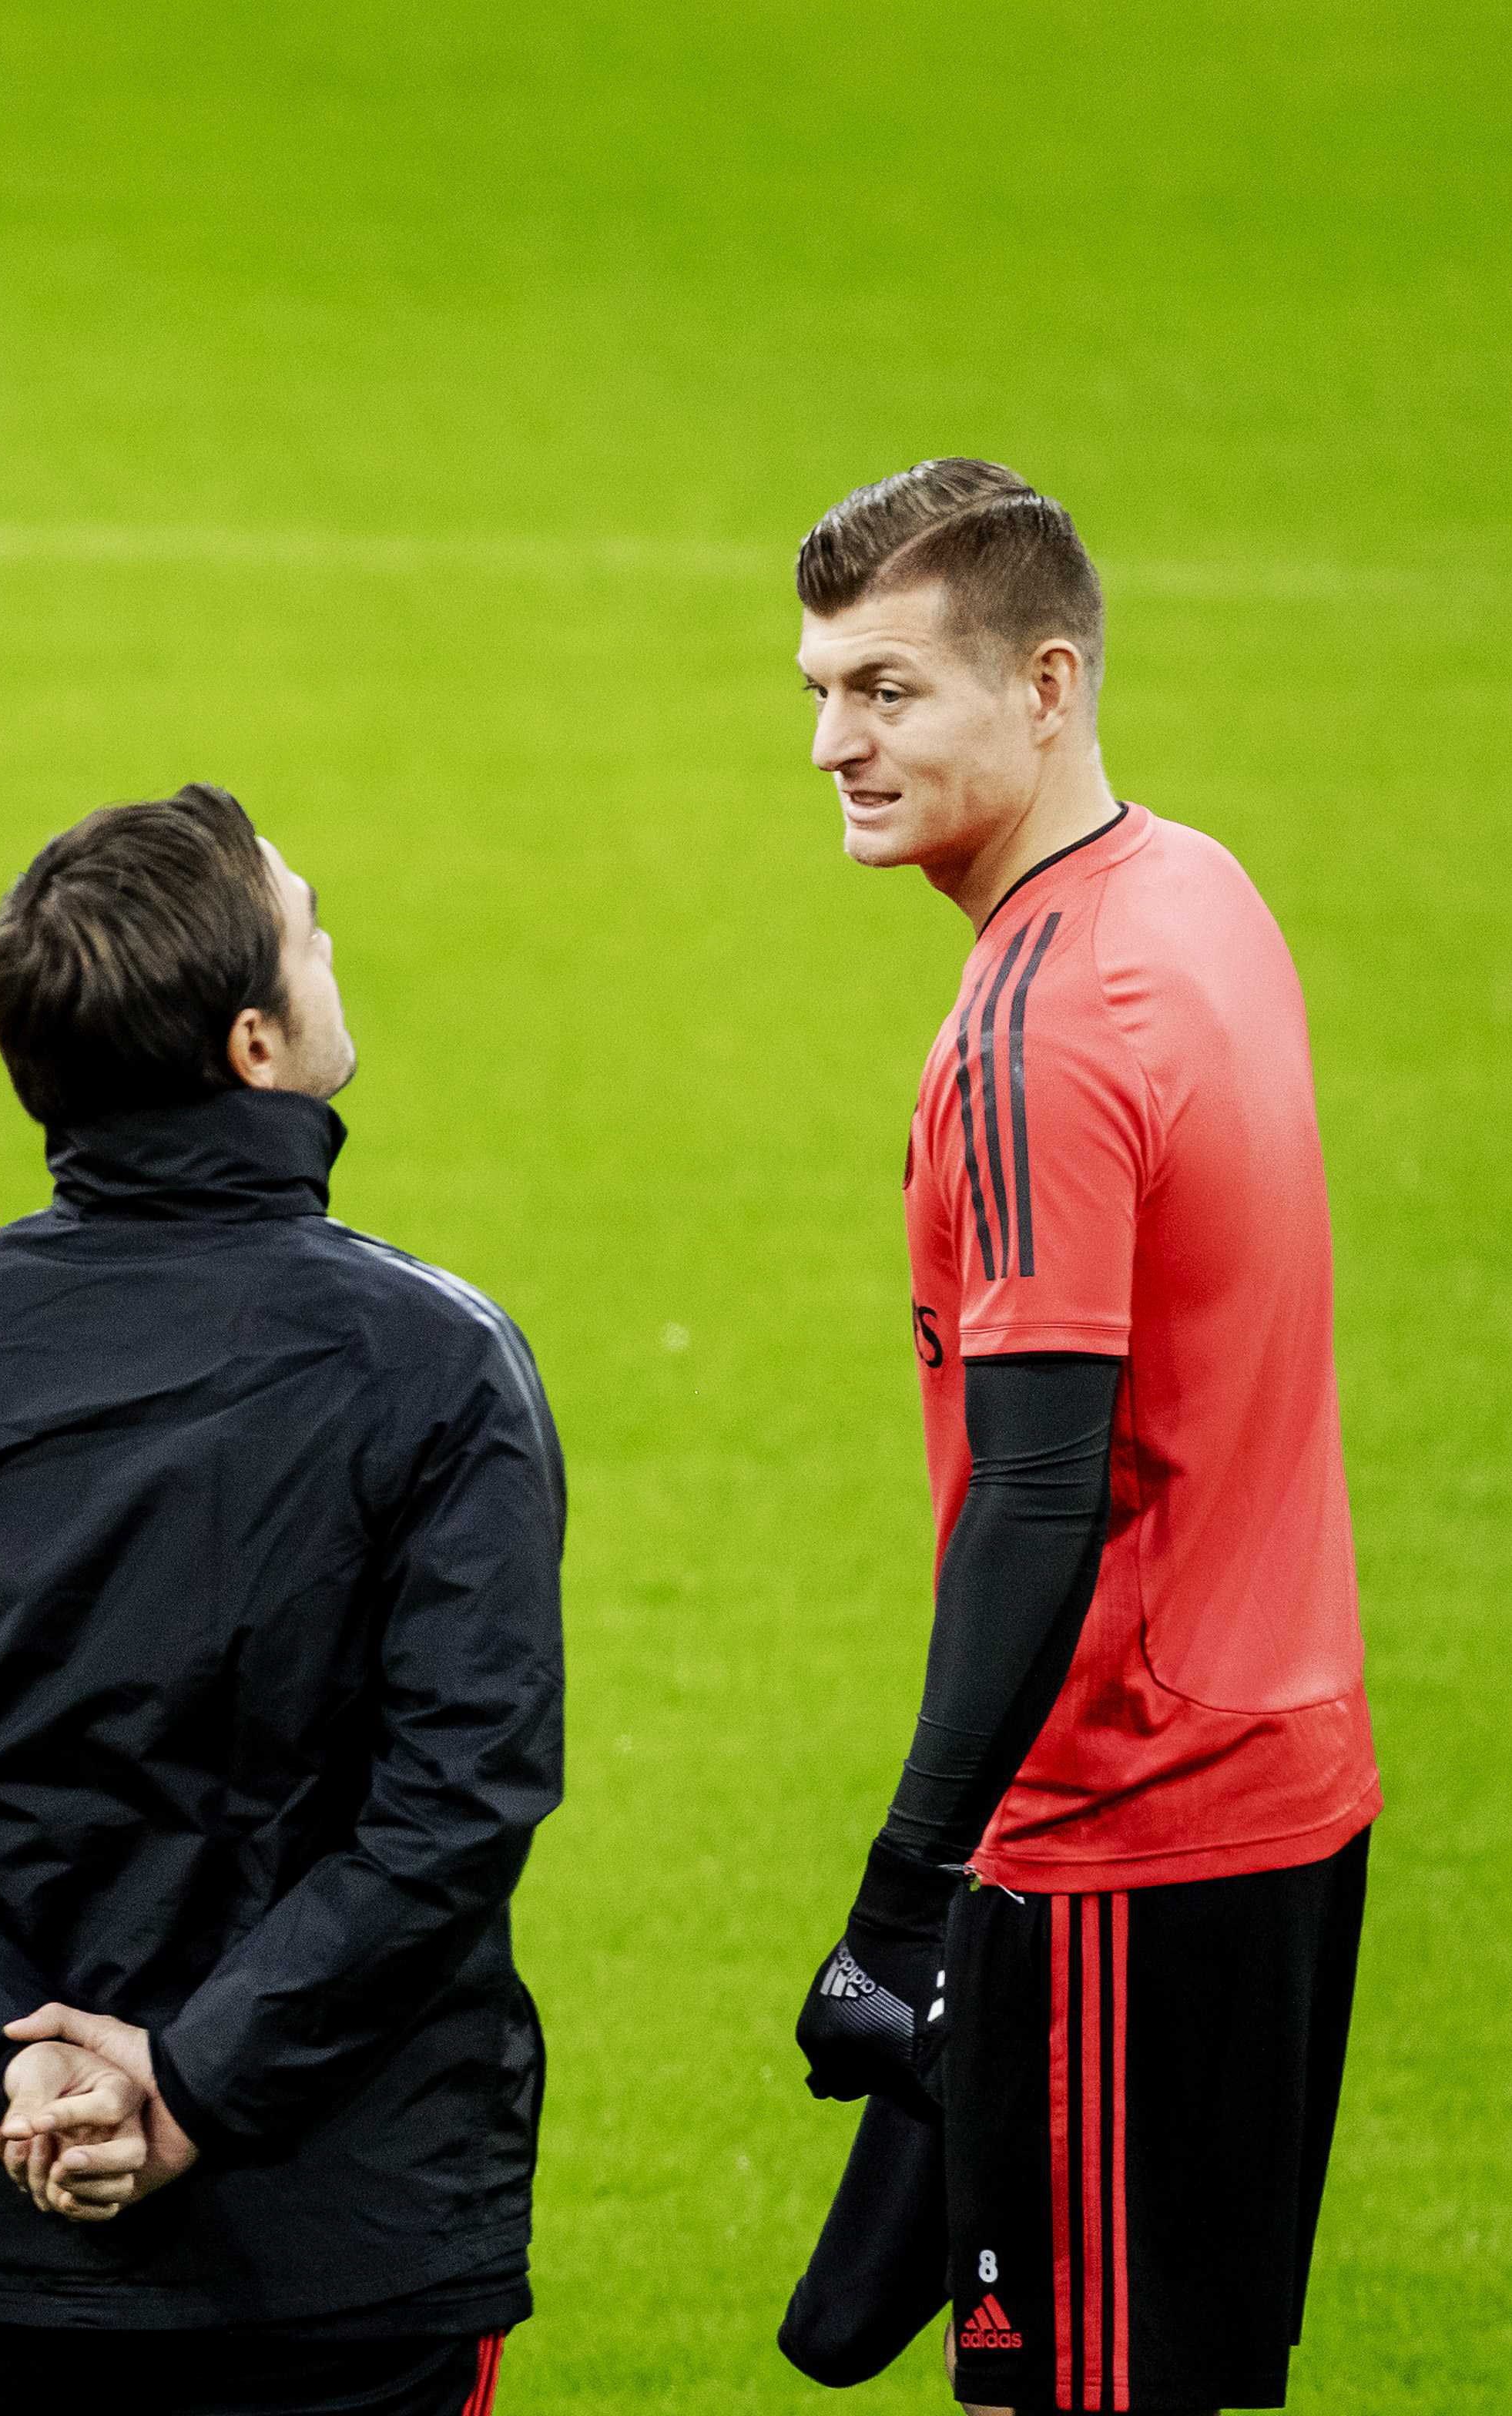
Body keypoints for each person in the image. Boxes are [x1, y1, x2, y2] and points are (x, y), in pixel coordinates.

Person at [0, 784, 565, 2416]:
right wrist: (187, 2084)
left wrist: (10, 2064)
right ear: (255, 1047)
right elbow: (455, 1800)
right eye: (310, 930)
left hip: (13, 2235)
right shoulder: (438, 1366)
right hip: (348, 2251)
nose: (335, 949)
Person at [789, 460, 1380, 2415]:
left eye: (889, 692)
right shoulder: (1194, 881)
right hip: (1281, 1781)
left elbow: (1042, 1494)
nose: (831, 744)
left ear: (1046, 686)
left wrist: (902, 1900)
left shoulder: (1043, 1023)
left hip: (1130, 1831)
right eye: (818, 689)